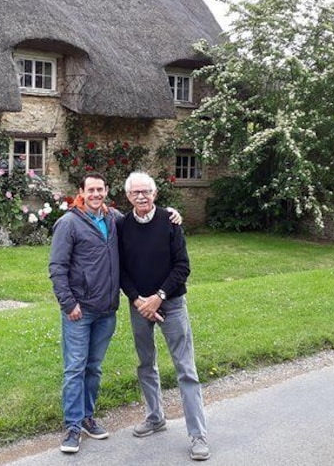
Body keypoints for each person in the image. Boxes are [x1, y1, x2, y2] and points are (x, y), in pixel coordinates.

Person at [49, 173, 182, 454]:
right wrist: (68, 303)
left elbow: (142, 216)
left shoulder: (114, 219)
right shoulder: (69, 223)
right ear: (81, 193)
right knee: (75, 367)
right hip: (79, 310)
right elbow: (57, 267)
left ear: (106, 192)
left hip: (106, 310)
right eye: (91, 190)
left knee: (94, 367)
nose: (96, 194)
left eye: (100, 189)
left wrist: (170, 213)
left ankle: (87, 417)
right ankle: (72, 427)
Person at [118, 171, 210, 461]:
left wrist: (158, 297)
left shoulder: (170, 222)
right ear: (128, 196)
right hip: (139, 306)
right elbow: (121, 269)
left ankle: (198, 435)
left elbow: (183, 266)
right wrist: (137, 300)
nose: (141, 197)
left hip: (170, 304)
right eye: (136, 193)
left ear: (155, 194)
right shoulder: (122, 226)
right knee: (146, 364)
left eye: (146, 192)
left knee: (186, 369)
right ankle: (155, 417)